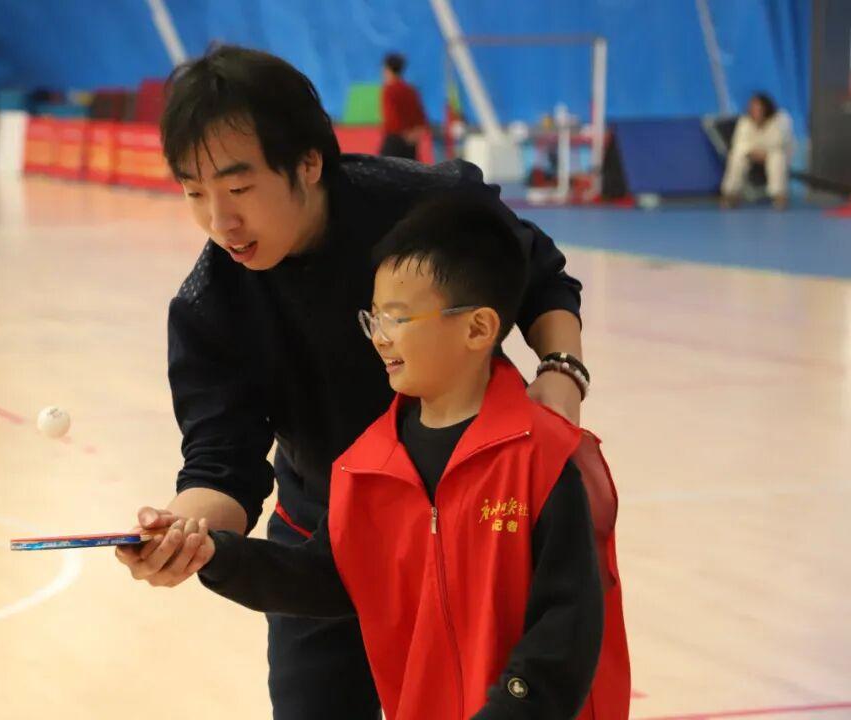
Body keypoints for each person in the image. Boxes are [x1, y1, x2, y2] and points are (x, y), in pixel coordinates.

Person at [114, 45, 588, 719]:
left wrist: (562, 372)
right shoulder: (210, 306)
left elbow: (538, 273)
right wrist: (181, 535)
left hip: (470, 527)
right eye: (195, 193)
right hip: (324, 539)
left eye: (239, 189)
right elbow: (222, 464)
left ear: (308, 163)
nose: (220, 222)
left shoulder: (421, 208)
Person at [175, 194, 629, 719]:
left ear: (478, 328)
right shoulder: (368, 465)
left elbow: (567, 625)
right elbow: (327, 576)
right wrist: (215, 554)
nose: (379, 338)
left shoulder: (545, 457)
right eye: (374, 319)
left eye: (397, 319)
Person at [721, 92, 792, 210]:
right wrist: (751, 152)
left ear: (766, 108)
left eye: (759, 108)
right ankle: (731, 194)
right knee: (736, 157)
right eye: (753, 108)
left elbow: (780, 142)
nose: (755, 111)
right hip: (751, 154)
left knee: (777, 157)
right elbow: (738, 143)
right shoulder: (745, 121)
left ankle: (779, 196)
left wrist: (765, 153)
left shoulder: (780, 119)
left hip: (773, 154)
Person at [380, 52, 427, 161]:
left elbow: (391, 117)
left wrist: (403, 132)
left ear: (387, 69)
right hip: (411, 142)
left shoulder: (389, 90)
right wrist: (415, 133)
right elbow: (420, 115)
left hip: (395, 141)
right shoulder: (410, 90)